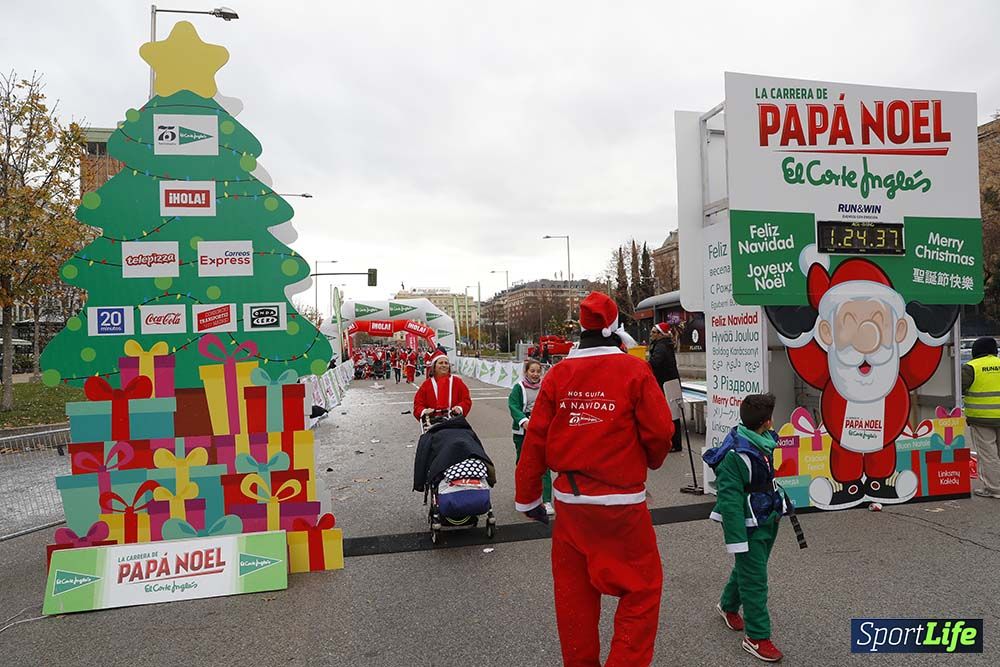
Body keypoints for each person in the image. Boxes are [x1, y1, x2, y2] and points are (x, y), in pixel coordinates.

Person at [515, 291, 673, 667]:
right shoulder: (634, 370)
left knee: (574, 598)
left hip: (570, 504)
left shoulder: (558, 375)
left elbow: (536, 438)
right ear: (615, 328)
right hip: (621, 505)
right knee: (642, 590)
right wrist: (651, 461)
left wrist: (529, 498)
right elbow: (660, 431)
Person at [708, 393, 784, 663]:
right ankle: (757, 637)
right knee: (755, 581)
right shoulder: (734, 455)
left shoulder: (764, 440)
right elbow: (729, 501)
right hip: (748, 524)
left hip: (768, 517)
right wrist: (736, 540)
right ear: (766, 422)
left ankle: (727, 605)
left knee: (751, 568)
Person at [508, 359, 553, 515]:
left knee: (544, 463)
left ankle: (546, 500)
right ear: (526, 372)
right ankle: (524, 496)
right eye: (532, 371)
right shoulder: (518, 388)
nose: (535, 374)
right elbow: (513, 406)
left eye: (538, 371)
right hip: (523, 430)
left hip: (541, 428)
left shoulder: (545, 387)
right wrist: (523, 421)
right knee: (523, 463)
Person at [962, 336, 1000, 499]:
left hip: (982, 418)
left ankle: (994, 489)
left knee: (988, 454)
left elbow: (959, 387)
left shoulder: (971, 367)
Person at [648, 322, 683, 453]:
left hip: (666, 383)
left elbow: (654, 363)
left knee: (671, 413)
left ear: (660, 334)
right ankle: (674, 442)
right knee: (673, 413)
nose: (651, 334)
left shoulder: (661, 347)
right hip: (670, 382)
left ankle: (674, 443)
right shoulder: (663, 344)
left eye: (653, 332)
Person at [413, 349, 472, 420]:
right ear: (434, 366)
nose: (444, 365)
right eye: (440, 363)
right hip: (433, 422)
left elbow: (466, 400)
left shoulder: (457, 382)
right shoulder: (427, 384)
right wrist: (424, 411)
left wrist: (460, 408)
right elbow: (418, 404)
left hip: (454, 421)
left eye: (446, 363)